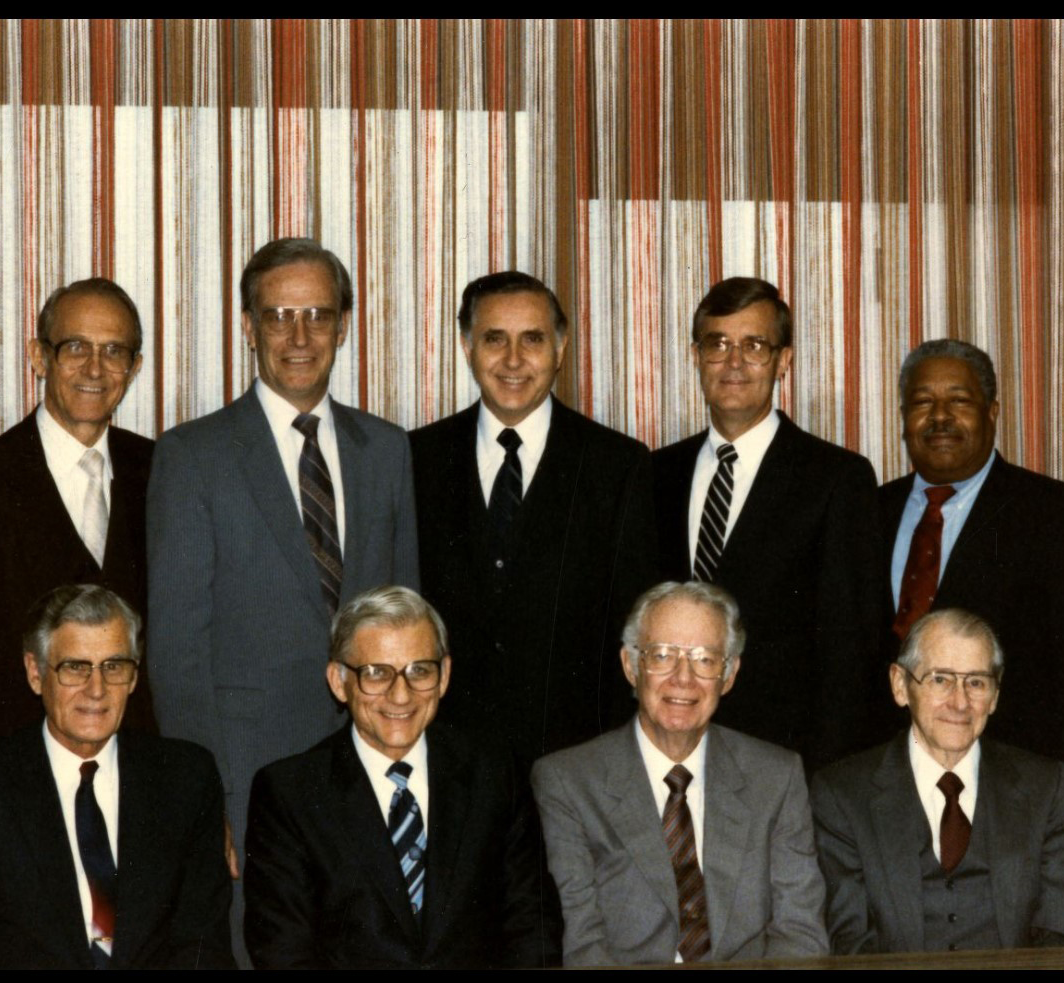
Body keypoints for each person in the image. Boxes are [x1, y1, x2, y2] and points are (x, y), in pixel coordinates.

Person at [146, 238, 419, 956]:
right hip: (247, 773)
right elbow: (176, 653)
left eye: (318, 315)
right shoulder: (192, 456)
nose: (299, 337)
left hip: (369, 765)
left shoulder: (386, 451)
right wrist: (209, 804)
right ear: (248, 325)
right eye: (279, 316)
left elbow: (408, 626)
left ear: (344, 325)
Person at [878, 338, 1064, 864]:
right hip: (884, 809)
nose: (939, 417)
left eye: (959, 401)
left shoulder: (1063, 517)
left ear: (991, 413)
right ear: (902, 416)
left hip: (1014, 810)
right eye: (922, 402)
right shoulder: (866, 513)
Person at [410, 271, 657, 768]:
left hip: (576, 761)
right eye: (494, 339)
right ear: (466, 346)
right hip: (445, 760)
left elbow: (635, 629)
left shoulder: (619, 466)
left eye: (533, 339)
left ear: (560, 349)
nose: (514, 360)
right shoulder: (416, 459)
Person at [243, 585, 559, 968]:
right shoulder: (290, 794)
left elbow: (532, 927)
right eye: (376, 673)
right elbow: (283, 953)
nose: (401, 695)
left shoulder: (493, 775)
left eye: (419, 671)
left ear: (443, 677)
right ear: (338, 681)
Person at [532, 581, 829, 965]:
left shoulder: (776, 776)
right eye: (662, 656)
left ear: (730, 674)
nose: (683, 678)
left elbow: (800, 933)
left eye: (704, 659)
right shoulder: (568, 782)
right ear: (630, 666)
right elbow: (582, 942)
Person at [0, 585, 233, 969]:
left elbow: (202, 945)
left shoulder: (184, 777)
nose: (97, 689)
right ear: (35, 673)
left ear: (134, 677)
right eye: (75, 667)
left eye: (114, 666)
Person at [652, 277, 882, 770]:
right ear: (696, 357)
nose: (734, 363)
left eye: (754, 345)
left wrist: (824, 781)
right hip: (664, 754)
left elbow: (851, 653)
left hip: (784, 764)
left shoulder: (836, 478)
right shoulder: (653, 474)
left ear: (784, 360)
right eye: (718, 344)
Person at [0, 278, 155, 755]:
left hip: (135, 774)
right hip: (6, 777)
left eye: (114, 351)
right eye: (75, 347)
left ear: (134, 367)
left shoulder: (162, 475)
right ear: (39, 357)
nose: (95, 368)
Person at [811, 608, 1064, 954]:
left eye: (976, 682)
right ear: (900, 686)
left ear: (995, 697)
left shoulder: (1045, 788)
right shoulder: (843, 795)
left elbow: (1063, 935)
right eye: (940, 679)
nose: (960, 702)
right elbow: (851, 944)